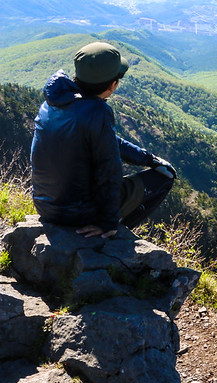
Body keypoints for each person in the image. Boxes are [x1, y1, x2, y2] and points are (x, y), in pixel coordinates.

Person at [31, 41, 176, 238]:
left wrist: (148, 159)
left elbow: (108, 141)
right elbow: (109, 171)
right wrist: (106, 222)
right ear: (113, 84)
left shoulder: (55, 100)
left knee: (158, 170)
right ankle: (113, 232)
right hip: (76, 214)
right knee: (164, 178)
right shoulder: (97, 112)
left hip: (46, 206)